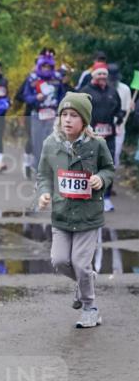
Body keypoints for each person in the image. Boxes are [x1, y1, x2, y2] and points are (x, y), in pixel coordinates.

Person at [37, 92, 114, 328]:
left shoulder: (97, 144)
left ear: (84, 121)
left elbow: (109, 169)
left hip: (88, 216)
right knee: (59, 261)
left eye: (74, 115)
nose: (68, 120)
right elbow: (44, 174)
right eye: (64, 115)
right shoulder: (51, 144)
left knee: (80, 264)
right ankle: (85, 281)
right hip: (61, 215)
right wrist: (44, 193)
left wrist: (101, 179)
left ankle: (90, 308)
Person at [80, 62, 124, 211]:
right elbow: (77, 111)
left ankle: (106, 197)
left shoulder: (112, 91)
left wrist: (119, 118)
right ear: (94, 75)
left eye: (105, 74)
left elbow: (119, 110)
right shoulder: (85, 91)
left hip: (108, 135)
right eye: (99, 74)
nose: (103, 77)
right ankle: (89, 195)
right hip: (90, 135)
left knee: (108, 164)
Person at [23, 53, 67, 171]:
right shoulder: (32, 79)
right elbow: (26, 96)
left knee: (53, 144)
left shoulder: (57, 79)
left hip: (53, 115)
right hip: (37, 115)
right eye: (44, 67)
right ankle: (38, 170)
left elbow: (62, 96)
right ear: (40, 67)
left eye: (49, 67)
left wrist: (62, 110)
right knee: (37, 145)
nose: (46, 69)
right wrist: (35, 98)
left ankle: (49, 172)